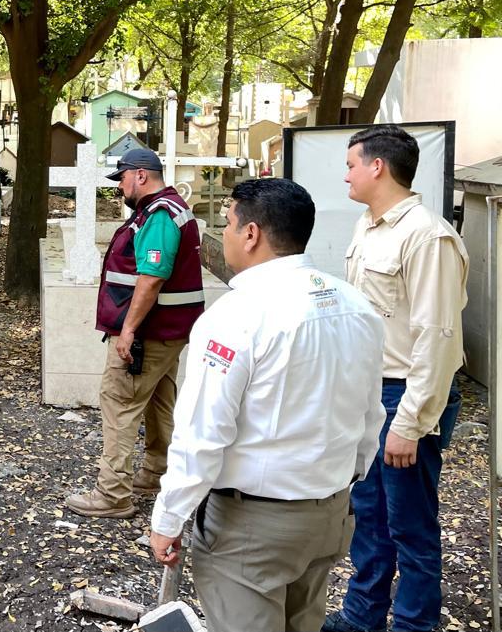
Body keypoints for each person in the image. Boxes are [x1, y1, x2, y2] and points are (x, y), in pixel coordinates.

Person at [149, 178, 385, 632]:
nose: (226, 236)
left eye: (229, 225)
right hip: (328, 514)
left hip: (252, 527)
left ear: (252, 233)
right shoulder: (357, 306)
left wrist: (170, 516)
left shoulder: (235, 316)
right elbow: (370, 415)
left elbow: (202, 434)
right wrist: (345, 484)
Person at [325, 125, 468, 632]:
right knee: (369, 518)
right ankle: (361, 618)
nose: (346, 174)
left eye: (350, 165)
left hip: (405, 393)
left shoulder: (427, 235)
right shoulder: (368, 226)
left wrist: (410, 421)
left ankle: (413, 625)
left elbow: (439, 337)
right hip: (370, 393)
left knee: (411, 526)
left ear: (377, 167)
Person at [66, 148, 205, 518]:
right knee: (159, 402)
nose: (120, 187)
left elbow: (152, 277)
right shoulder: (168, 209)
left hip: (149, 333)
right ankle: (157, 473)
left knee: (119, 402)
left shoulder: (159, 216)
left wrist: (127, 330)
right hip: (168, 332)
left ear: (141, 175)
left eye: (122, 179)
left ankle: (112, 494)